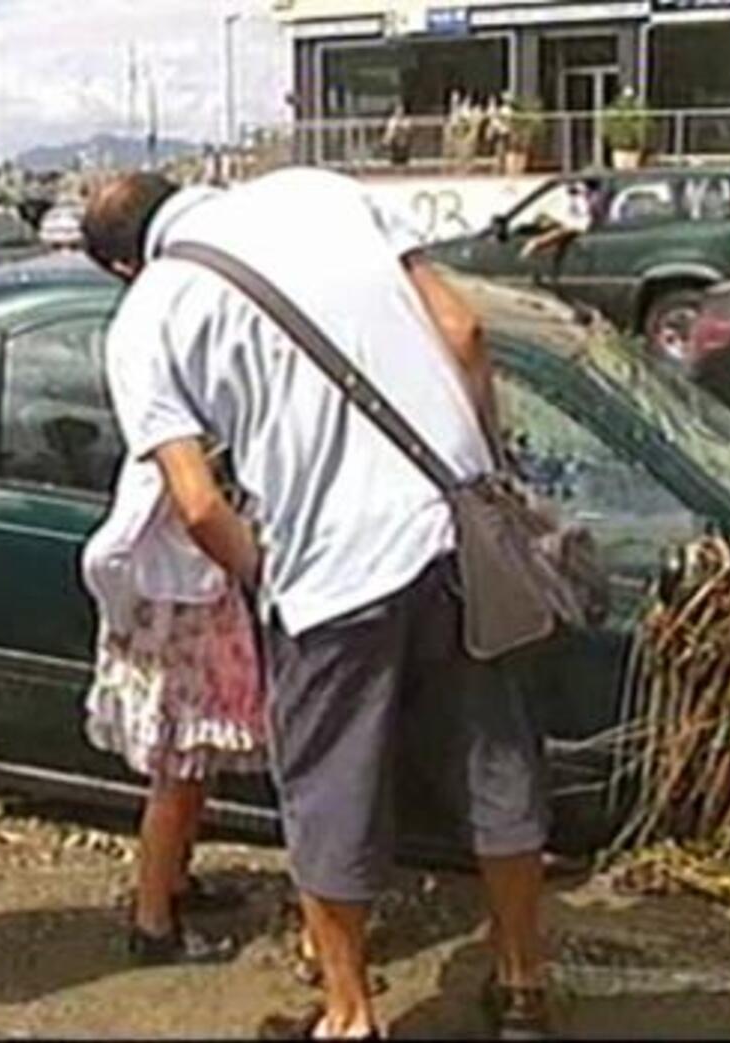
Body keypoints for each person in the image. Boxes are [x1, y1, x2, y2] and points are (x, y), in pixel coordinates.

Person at [82, 169, 551, 1040]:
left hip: (328, 576)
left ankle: (349, 1011)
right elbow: (464, 330)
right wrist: (481, 478)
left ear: (121, 265)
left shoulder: (149, 313)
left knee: (331, 791)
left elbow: (197, 504)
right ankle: (522, 981)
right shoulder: (323, 192)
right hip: (452, 538)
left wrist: (267, 576)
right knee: (494, 758)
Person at [82, 418, 267, 965]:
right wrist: (125, 619)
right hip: (175, 629)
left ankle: (175, 879)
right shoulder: (163, 454)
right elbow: (106, 555)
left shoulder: (214, 439)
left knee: (195, 769)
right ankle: (153, 923)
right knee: (176, 777)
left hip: (207, 620)